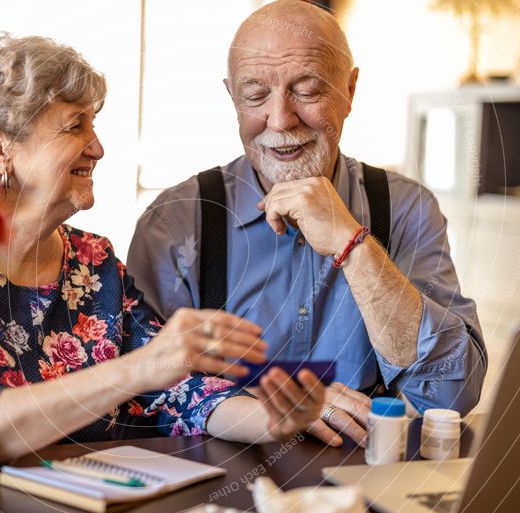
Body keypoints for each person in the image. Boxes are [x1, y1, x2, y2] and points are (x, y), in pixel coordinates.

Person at [0, 33, 326, 474]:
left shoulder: (93, 262)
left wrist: (270, 418)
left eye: (93, 125)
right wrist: (136, 370)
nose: (97, 147)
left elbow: (176, 390)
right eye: (75, 126)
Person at [127, 0, 487, 448]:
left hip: (365, 480)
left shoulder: (406, 208)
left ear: (350, 90)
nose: (280, 120)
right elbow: (139, 396)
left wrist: (354, 246)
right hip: (215, 486)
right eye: (256, 95)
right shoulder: (174, 223)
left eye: (308, 90)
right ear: (232, 97)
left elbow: (450, 395)